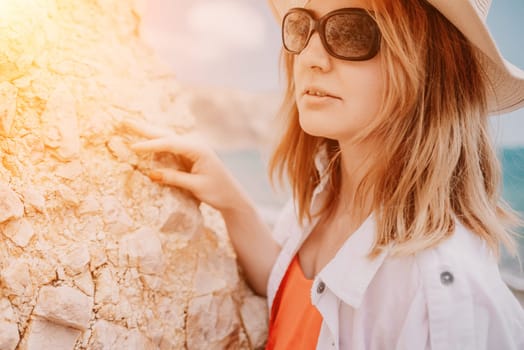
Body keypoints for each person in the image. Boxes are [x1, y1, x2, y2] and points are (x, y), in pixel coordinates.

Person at [124, 0, 524, 348]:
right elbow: (295, 292)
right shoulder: (324, 201)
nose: (311, 57)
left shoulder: (438, 293)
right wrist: (233, 204)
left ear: (430, 66)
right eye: (302, 27)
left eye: (349, 32)